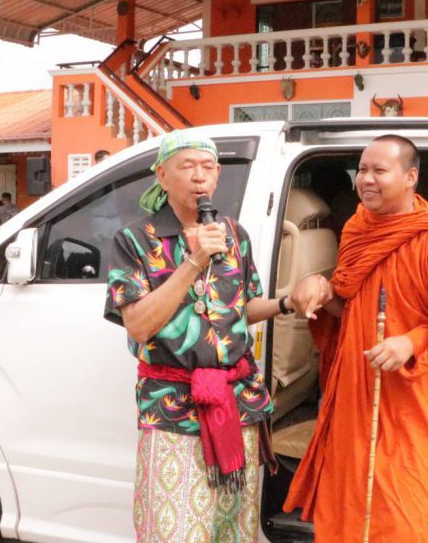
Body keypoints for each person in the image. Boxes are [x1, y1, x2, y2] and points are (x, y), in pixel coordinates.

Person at [283, 134, 428, 541]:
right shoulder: (357, 228)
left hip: (415, 394)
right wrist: (320, 291)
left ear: (410, 177)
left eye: (379, 170)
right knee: (350, 498)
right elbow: (352, 310)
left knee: (406, 507)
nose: (366, 179)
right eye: (362, 170)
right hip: (358, 389)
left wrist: (410, 342)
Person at [104, 131, 293, 542]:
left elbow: (243, 307)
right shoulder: (135, 240)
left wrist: (287, 302)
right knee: (174, 530)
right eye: (187, 167)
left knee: (232, 529)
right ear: (162, 176)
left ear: (218, 174)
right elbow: (139, 325)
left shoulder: (234, 234)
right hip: (172, 409)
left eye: (207, 167)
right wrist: (194, 261)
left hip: (238, 404)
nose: (199, 177)